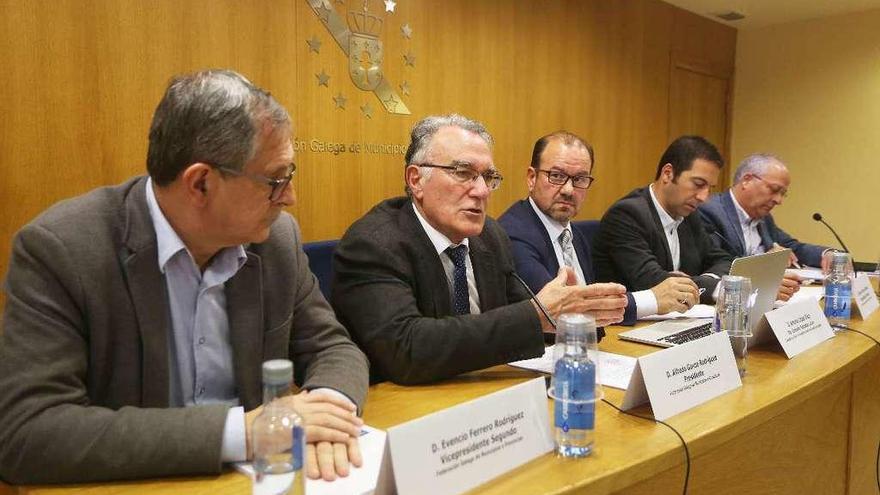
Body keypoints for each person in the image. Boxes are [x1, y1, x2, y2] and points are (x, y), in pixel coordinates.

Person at [0, 70, 368, 484]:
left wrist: (327, 413)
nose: (290, 197)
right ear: (200, 183)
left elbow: (333, 347)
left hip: (250, 482)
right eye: (275, 180)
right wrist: (245, 432)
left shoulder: (275, 239)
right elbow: (28, 432)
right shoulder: (63, 251)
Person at [331, 115, 627, 385]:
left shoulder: (490, 236)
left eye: (488, 177)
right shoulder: (374, 243)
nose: (482, 191)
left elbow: (524, 317)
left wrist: (577, 313)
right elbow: (407, 349)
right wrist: (538, 315)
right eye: (463, 173)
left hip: (482, 400)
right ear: (416, 179)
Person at [499, 131, 701, 323]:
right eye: (557, 176)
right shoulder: (512, 233)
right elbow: (562, 309)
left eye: (579, 179)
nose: (569, 190)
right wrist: (653, 300)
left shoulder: (574, 234)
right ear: (531, 178)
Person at [593, 136, 800, 303]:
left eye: (709, 188)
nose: (703, 197)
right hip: (623, 331)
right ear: (668, 173)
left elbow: (722, 260)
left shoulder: (688, 214)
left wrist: (703, 280)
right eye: (698, 184)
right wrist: (722, 288)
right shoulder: (627, 215)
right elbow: (654, 281)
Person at [699, 153, 834, 270]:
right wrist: (765, 262)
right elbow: (715, 262)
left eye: (783, 194)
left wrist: (827, 254)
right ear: (747, 180)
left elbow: (793, 247)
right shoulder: (710, 211)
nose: (779, 200)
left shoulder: (763, 218)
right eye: (774, 190)